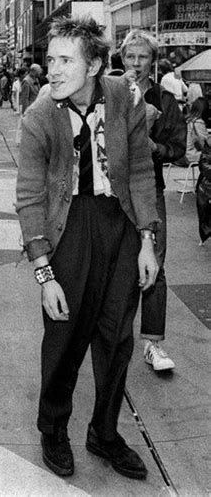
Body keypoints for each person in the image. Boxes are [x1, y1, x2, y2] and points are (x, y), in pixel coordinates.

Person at [16, 16, 159, 481]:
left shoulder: (123, 97)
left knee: (117, 336)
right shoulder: (40, 115)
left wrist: (146, 240)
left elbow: (139, 169)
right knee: (65, 333)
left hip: (117, 220)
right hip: (68, 224)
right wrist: (44, 274)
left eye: (64, 60)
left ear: (95, 64)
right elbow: (30, 197)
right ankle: (53, 427)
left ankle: (104, 432)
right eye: (50, 59)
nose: (52, 69)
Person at [121, 29, 186, 372]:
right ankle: (107, 334)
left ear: (153, 60)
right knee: (112, 261)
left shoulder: (165, 100)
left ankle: (152, 343)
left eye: (142, 56)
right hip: (110, 188)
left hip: (150, 187)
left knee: (155, 262)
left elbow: (178, 148)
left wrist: (155, 148)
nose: (136, 63)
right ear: (122, 58)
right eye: (130, 56)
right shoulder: (109, 91)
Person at [185, 98, 209, 165]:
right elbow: (206, 142)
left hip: (181, 155)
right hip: (192, 155)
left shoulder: (187, 121)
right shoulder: (198, 122)